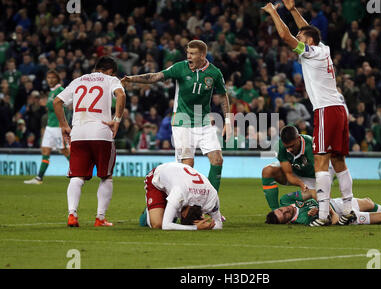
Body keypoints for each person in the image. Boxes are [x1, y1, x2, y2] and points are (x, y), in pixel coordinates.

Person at [262, 0, 354, 226]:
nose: (298, 38)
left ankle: (323, 216)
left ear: (309, 41)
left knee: (321, 162)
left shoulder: (311, 52)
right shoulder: (323, 49)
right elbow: (307, 30)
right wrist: (292, 10)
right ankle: (349, 210)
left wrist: (274, 12)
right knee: (338, 161)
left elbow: (286, 37)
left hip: (325, 109)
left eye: (301, 37)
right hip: (338, 108)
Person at [121, 40, 232, 192]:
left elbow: (223, 96)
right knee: (187, 165)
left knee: (218, 160)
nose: (188, 57)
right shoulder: (180, 67)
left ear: (202, 55)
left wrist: (228, 120)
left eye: (192, 54)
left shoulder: (214, 73)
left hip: (204, 122)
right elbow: (156, 77)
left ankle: (211, 204)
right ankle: (185, 206)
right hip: (182, 122)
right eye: (187, 53)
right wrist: (132, 79)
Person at [53, 56, 126, 227]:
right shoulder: (111, 79)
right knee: (106, 176)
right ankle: (100, 218)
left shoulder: (78, 80)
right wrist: (117, 119)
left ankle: (72, 214)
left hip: (78, 133)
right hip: (101, 133)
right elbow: (121, 95)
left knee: (76, 176)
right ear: (110, 71)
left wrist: (63, 124)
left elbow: (57, 101)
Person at [262, 125, 329, 211]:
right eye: (287, 147)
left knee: (320, 203)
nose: (289, 150)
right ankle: (276, 211)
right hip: (296, 172)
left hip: (314, 177)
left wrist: (319, 190)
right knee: (267, 171)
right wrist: (301, 184)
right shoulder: (279, 146)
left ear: (298, 138)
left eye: (292, 146)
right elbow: (288, 174)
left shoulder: (311, 145)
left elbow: (321, 173)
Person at [139, 162, 223, 230]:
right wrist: (195, 227)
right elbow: (165, 226)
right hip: (158, 178)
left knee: (170, 214)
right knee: (157, 224)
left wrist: (208, 226)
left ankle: (168, 209)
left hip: (177, 179)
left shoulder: (211, 196)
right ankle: (148, 212)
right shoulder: (180, 193)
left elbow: (219, 224)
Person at [265, 190, 381, 226]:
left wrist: (324, 206)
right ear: (286, 221)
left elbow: (312, 193)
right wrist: (323, 212)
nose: (285, 211)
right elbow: (328, 221)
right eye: (284, 215)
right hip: (342, 218)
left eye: (280, 210)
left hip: (334, 204)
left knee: (369, 202)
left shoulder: (286, 200)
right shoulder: (302, 219)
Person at [24, 70, 70, 185]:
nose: (50, 80)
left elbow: (67, 104)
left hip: (58, 127)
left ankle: (79, 173)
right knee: (45, 151)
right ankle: (39, 178)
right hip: (50, 127)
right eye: (48, 78)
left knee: (65, 151)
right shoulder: (51, 92)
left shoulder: (60, 90)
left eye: (52, 78)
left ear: (57, 79)